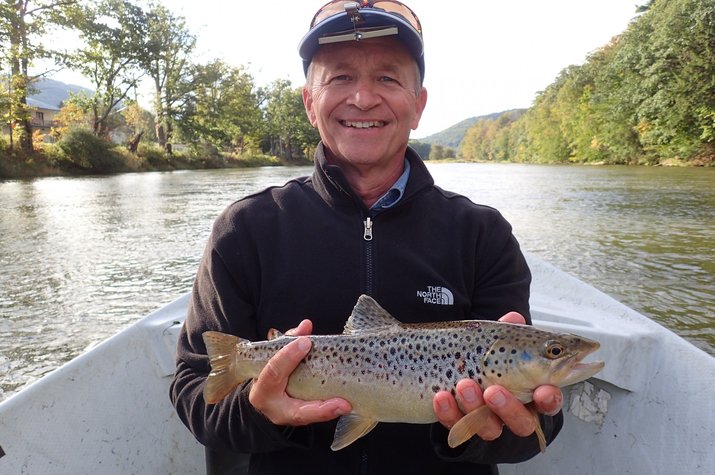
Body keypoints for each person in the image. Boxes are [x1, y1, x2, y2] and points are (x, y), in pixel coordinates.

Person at [171, 1, 564, 473]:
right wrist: (262, 412)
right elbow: (196, 394)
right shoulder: (245, 229)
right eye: (339, 77)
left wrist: (504, 430)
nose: (362, 98)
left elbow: (531, 431)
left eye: (388, 78)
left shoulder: (483, 234)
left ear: (418, 105)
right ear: (309, 103)